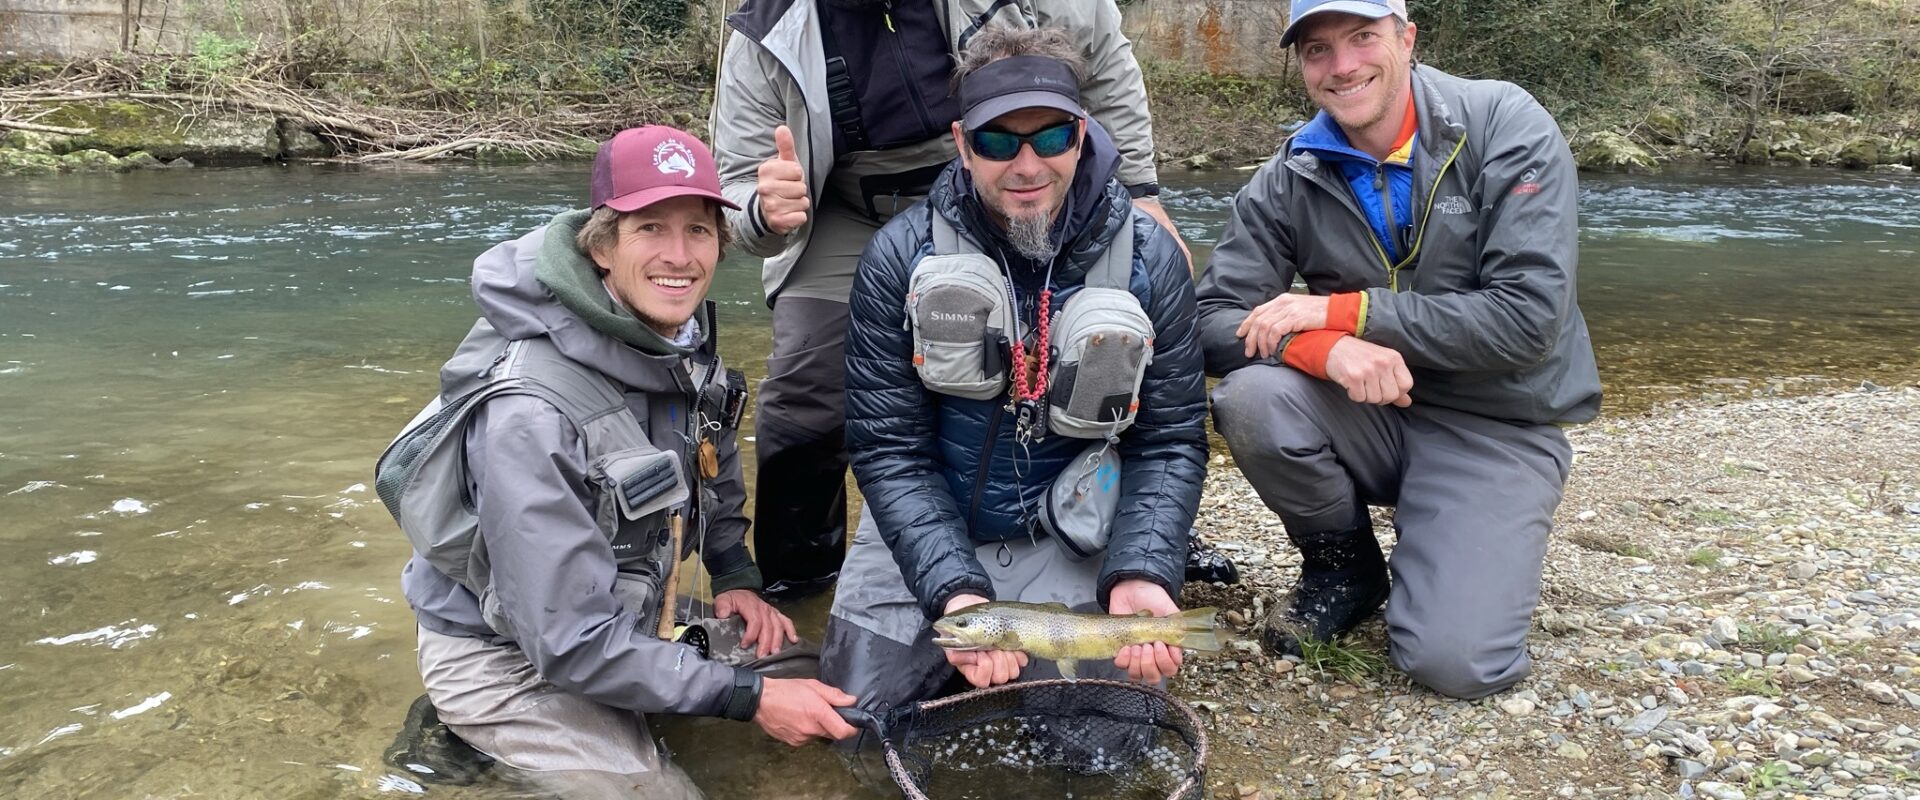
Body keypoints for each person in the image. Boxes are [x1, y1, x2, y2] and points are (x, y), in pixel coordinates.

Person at [383, 126, 857, 799]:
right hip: (511, 656)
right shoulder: (530, 413)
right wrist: (748, 701)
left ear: (722, 244)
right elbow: (570, 642)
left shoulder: (681, 344)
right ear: (602, 246)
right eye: (650, 229)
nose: (679, 255)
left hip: (623, 611)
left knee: (822, 679)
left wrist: (734, 575)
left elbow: (712, 463)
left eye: (698, 230)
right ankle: (462, 734)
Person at [709, 0, 1236, 599]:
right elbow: (736, 193)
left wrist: (1140, 191)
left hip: (1003, 172)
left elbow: (1106, 56)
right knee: (806, 392)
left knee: (1091, 334)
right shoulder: (761, 31)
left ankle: (1141, 535)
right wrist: (762, 211)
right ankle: (798, 586)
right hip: (845, 207)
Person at [1193, 0, 1602, 700]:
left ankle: (1453, 533)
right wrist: (1321, 351)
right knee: (1253, 396)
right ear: (1300, 64)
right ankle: (1344, 567)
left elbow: (1529, 320)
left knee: (1455, 664)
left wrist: (1345, 313)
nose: (1343, 65)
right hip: (1364, 414)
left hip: (1495, 423)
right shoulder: (1289, 174)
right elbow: (1211, 318)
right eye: (1318, 49)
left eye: (1362, 38)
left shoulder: (1505, 123)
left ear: (1407, 38)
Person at [820, 26, 1208, 714]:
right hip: (932, 518)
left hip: (1068, 528)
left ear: (1081, 136)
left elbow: (1170, 442)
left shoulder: (1153, 261)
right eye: (1000, 142)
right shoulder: (896, 258)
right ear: (963, 143)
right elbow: (889, 453)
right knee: (856, 723)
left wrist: (1144, 568)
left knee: (1108, 741)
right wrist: (952, 589)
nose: (1027, 165)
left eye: (1050, 137)